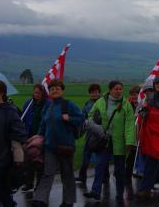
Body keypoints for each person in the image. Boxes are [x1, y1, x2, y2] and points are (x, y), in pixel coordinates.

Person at [32, 79, 84, 207]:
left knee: (67, 174)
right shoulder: (48, 106)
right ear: (49, 91)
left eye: (57, 89)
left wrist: (70, 118)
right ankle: (40, 199)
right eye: (52, 89)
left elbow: (81, 118)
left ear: (62, 91)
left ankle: (68, 201)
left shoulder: (68, 105)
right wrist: (38, 138)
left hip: (65, 146)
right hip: (49, 147)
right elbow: (43, 124)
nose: (54, 91)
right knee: (47, 173)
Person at [83, 81, 135, 204]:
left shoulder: (126, 105)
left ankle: (119, 193)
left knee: (119, 169)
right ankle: (95, 191)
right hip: (103, 140)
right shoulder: (100, 102)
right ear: (110, 90)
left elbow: (129, 125)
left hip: (119, 141)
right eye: (116, 89)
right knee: (100, 165)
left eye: (120, 89)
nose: (118, 91)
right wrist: (97, 128)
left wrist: (129, 141)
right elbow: (90, 116)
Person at [0, 80, 27, 207]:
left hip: (2, 161)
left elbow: (18, 136)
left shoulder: (10, 112)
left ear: (2, 93)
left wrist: (18, 159)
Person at [21, 84, 50, 192]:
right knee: (27, 161)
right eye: (35, 92)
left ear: (43, 93)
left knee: (39, 163)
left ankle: (39, 185)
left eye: (39, 92)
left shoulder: (48, 104)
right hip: (29, 136)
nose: (36, 94)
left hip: (42, 138)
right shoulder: (28, 103)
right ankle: (28, 183)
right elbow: (23, 118)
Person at [75, 84, 103, 187]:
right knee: (85, 156)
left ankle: (104, 177)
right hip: (89, 134)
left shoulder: (103, 103)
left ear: (99, 92)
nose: (94, 94)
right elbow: (83, 116)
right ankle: (82, 176)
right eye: (92, 92)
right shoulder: (87, 103)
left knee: (101, 158)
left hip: (100, 135)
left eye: (96, 92)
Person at [125, 85, 141, 199]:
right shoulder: (127, 105)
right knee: (131, 155)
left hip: (141, 133)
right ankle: (127, 174)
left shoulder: (143, 104)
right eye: (132, 94)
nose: (134, 97)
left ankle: (153, 177)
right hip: (131, 134)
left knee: (144, 155)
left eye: (135, 94)